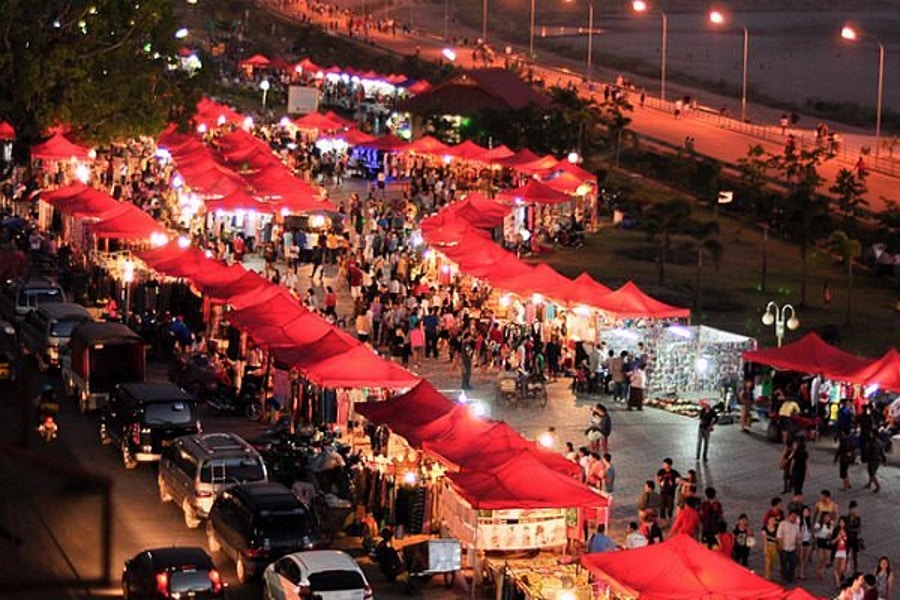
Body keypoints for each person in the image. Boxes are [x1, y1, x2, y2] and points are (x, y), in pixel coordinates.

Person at [814, 512, 835, 581]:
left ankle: (821, 571)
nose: (827, 518)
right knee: (821, 558)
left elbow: (831, 533)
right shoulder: (818, 524)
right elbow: (815, 533)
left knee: (826, 557)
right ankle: (818, 570)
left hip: (826, 541)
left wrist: (830, 536)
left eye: (828, 517)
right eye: (825, 517)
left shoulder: (830, 525)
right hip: (820, 541)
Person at [832, 517, 850, 588]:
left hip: (844, 551)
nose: (841, 523)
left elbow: (849, 542)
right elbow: (832, 542)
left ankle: (837, 579)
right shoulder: (836, 530)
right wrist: (837, 538)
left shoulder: (847, 531)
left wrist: (845, 537)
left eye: (843, 522)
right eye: (840, 522)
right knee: (836, 568)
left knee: (842, 569)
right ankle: (838, 583)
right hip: (837, 551)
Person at [762, 514, 780, 580]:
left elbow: (777, 539)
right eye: (771, 520)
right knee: (768, 561)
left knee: (772, 562)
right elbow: (764, 539)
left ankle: (768, 574)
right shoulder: (765, 528)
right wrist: (765, 549)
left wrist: (770, 537)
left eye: (773, 520)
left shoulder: (777, 528)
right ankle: (767, 577)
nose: (772, 521)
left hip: (774, 546)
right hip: (768, 545)